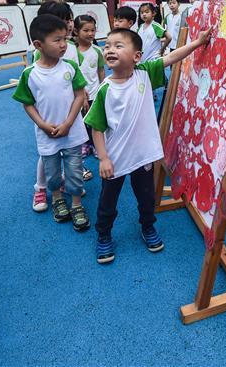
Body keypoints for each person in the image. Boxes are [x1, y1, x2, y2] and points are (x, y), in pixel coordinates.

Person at [85, 26, 212, 264]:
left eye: (118, 45)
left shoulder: (143, 74)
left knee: (146, 197)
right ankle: (103, 234)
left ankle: (147, 226)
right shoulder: (105, 90)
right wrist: (103, 158)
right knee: (107, 202)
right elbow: (96, 128)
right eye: (107, 46)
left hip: (143, 156)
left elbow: (172, 57)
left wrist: (198, 42)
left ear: (137, 56)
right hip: (115, 159)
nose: (110, 50)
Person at [13, 15, 91, 231]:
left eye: (65, 38)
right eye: (57, 40)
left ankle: (76, 204)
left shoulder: (70, 67)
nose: (64, 44)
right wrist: (42, 124)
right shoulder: (30, 74)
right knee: (52, 172)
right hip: (47, 134)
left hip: (72, 132)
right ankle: (56, 198)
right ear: (38, 45)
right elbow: (28, 104)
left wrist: (68, 123)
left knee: (75, 170)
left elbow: (79, 95)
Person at [73, 15, 105, 166]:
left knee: (94, 121)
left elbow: (101, 70)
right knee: (80, 120)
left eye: (93, 30)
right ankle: (85, 143)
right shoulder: (71, 51)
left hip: (94, 93)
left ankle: (96, 144)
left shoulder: (97, 50)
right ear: (76, 31)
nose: (90, 33)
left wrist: (102, 88)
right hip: (77, 94)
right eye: (86, 30)